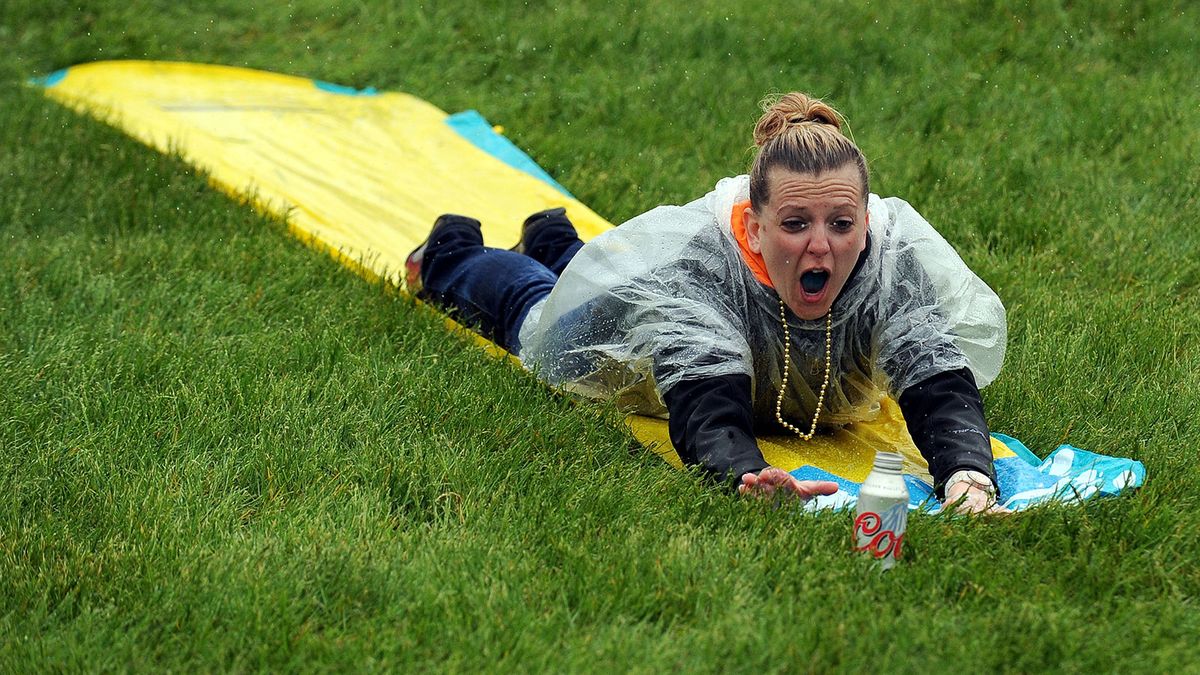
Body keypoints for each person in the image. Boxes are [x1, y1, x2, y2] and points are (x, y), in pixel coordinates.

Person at [405, 92, 1007, 513]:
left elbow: (938, 382)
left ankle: (554, 239)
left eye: (842, 223)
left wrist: (968, 478)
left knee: (574, 274)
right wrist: (744, 473)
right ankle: (450, 253)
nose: (822, 245)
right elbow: (707, 406)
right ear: (754, 227)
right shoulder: (698, 272)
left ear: (866, 220)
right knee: (537, 313)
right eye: (795, 224)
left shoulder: (889, 267)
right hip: (633, 333)